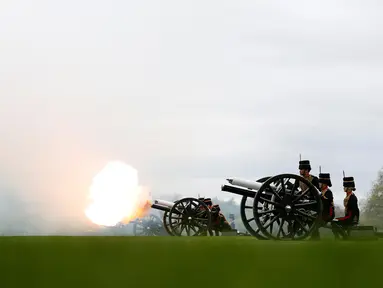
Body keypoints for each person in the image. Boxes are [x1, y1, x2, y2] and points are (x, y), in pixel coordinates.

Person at [310, 172, 335, 240]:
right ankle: (315, 237)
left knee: (315, 222)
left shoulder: (328, 192)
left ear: (324, 184)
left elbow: (326, 203)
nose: (319, 184)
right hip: (323, 214)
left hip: (328, 214)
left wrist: (319, 197)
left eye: (320, 183)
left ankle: (315, 237)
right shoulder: (322, 192)